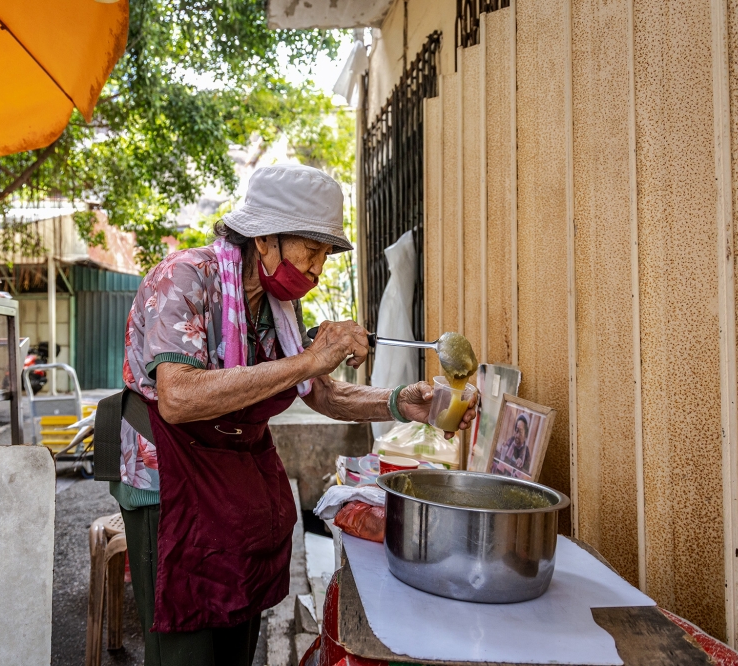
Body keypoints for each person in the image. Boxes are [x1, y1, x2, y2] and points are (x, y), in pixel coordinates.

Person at [116, 164, 478, 666]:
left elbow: (321, 393)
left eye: (326, 255)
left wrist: (400, 403)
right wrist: (310, 359)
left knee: (237, 629)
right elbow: (177, 397)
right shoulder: (184, 277)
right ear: (265, 239)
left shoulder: (278, 306)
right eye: (311, 250)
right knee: (185, 642)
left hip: (231, 478)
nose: (317, 270)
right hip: (169, 478)